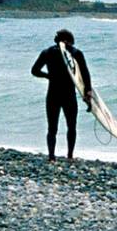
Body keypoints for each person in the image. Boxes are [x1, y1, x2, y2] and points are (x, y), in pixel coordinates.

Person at [31, 29, 92, 160]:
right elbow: (85, 74)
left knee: (52, 128)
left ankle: (51, 156)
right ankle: (70, 156)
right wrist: (88, 91)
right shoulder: (76, 53)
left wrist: (48, 76)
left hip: (53, 94)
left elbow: (34, 71)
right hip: (68, 95)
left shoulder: (47, 52)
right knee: (72, 126)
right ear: (68, 41)